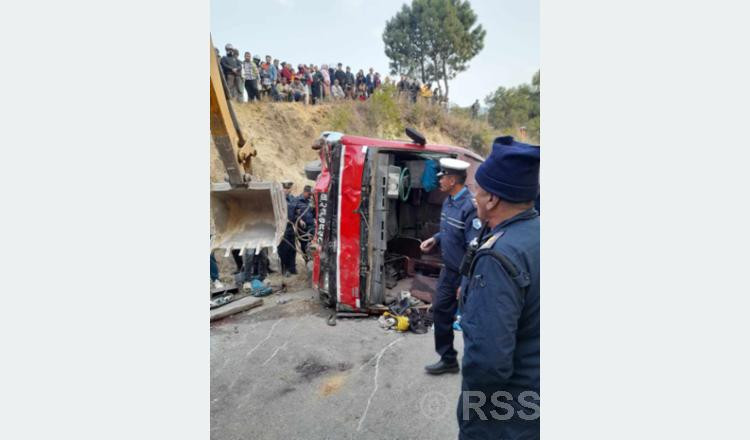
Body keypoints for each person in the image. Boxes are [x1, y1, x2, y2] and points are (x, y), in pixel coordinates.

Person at [456, 136, 540, 439]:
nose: (473, 196)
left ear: (492, 199)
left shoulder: (498, 256)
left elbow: (488, 364)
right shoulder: (536, 231)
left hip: (504, 412)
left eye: (476, 189)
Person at [420, 158, 479, 375]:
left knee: (471, 322)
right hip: (448, 270)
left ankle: (479, 365)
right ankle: (448, 360)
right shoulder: (449, 201)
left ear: (453, 180)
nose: (439, 181)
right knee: (440, 313)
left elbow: (474, 248)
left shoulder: (470, 207)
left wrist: (465, 282)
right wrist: (435, 239)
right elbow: (448, 230)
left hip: (466, 275)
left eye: (442, 177)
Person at [277, 181, 298, 276]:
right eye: (285, 189)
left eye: (288, 189)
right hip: (281, 229)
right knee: (283, 250)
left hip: (291, 228)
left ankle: (292, 268)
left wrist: (299, 218)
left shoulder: (293, 199)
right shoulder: (277, 200)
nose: (286, 190)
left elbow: (296, 211)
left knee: (292, 249)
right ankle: (285, 270)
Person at [294, 185, 314, 261]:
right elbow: (293, 214)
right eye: (309, 194)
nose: (310, 196)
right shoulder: (297, 200)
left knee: (312, 245)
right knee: (304, 245)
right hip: (302, 229)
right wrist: (299, 220)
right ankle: (307, 260)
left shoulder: (311, 201)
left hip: (311, 227)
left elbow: (314, 213)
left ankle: (312, 260)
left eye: (311, 195)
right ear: (304, 192)